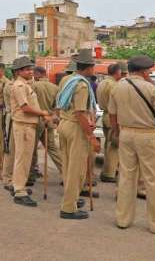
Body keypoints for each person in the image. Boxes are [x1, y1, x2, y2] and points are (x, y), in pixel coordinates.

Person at [109, 55, 155, 234]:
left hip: (125, 133)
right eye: (149, 71)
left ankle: (123, 219)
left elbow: (112, 114)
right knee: (153, 179)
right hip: (147, 135)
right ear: (144, 71)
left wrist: (117, 131)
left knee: (127, 177)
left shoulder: (118, 86)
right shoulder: (151, 88)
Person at [56, 49, 100, 220]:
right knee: (77, 170)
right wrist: (91, 137)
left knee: (68, 167)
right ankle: (68, 208)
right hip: (75, 127)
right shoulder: (81, 85)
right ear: (88, 67)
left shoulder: (69, 80)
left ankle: (71, 201)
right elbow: (80, 113)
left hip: (64, 124)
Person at [9, 57, 53, 207]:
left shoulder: (26, 85)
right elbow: (25, 108)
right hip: (24, 125)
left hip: (27, 125)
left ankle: (17, 186)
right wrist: (42, 113)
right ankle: (19, 191)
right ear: (19, 72)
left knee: (23, 158)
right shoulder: (20, 86)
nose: (31, 71)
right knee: (23, 159)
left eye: (31, 69)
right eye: (27, 69)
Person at [30, 66, 63, 178]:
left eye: (34, 74)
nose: (33, 76)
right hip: (48, 120)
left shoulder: (33, 86)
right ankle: (65, 171)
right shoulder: (55, 88)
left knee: (32, 148)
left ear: (38, 74)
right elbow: (57, 107)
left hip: (36, 120)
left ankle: (31, 173)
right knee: (52, 147)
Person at [97, 62, 124, 183]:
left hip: (105, 114)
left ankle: (107, 170)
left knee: (108, 144)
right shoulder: (114, 85)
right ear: (117, 72)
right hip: (113, 116)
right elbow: (118, 103)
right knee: (114, 146)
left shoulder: (102, 82)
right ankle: (109, 173)